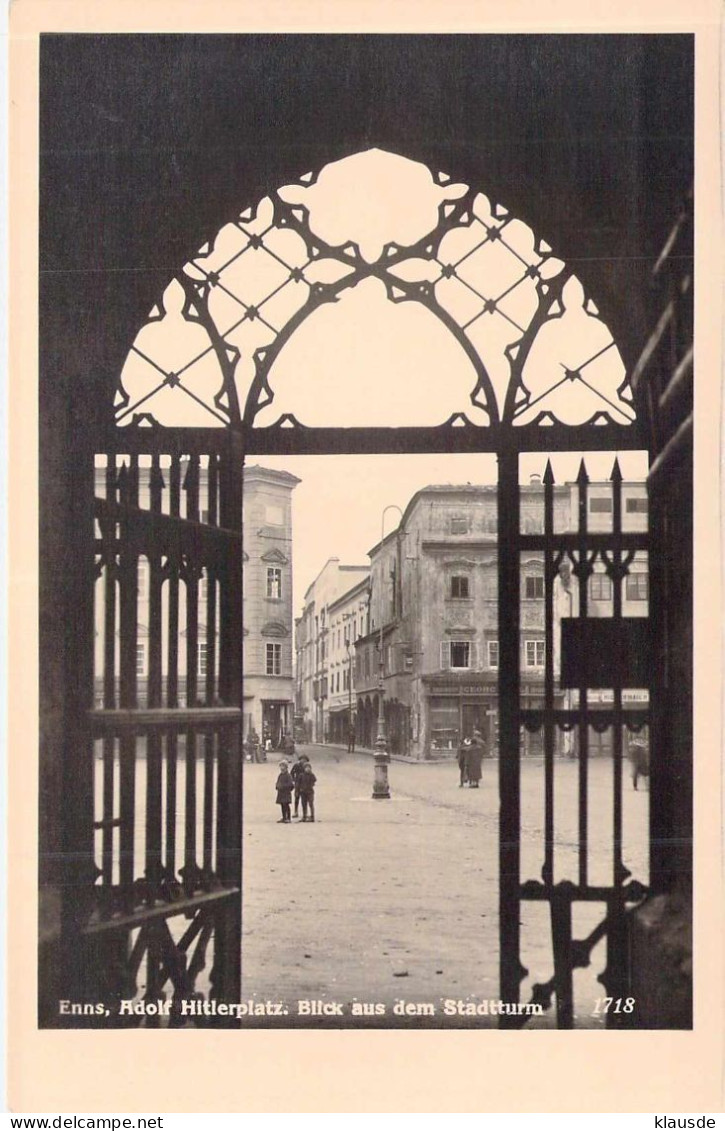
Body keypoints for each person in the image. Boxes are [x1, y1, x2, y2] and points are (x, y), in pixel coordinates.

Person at [290, 752, 308, 818]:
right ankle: (296, 811)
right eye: (302, 759)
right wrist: (293, 779)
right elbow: (292, 772)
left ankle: (305, 813)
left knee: (304, 799)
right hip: (297, 784)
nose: (303, 761)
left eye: (305, 760)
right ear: (299, 760)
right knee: (297, 798)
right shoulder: (296, 765)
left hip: (305, 784)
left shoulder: (307, 766)